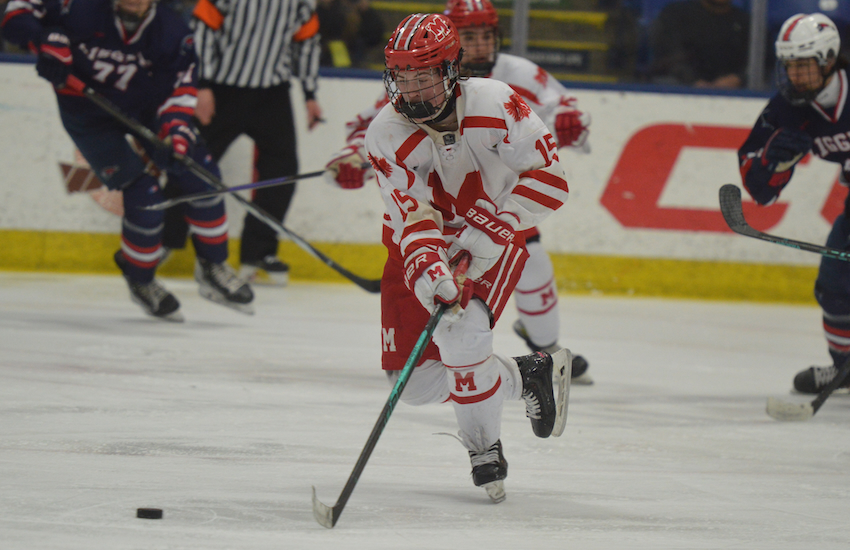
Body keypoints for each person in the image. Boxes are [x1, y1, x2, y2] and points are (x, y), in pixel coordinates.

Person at [324, 0, 593, 384]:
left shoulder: (513, 75)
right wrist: (350, 157)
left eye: (487, 35)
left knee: (534, 265)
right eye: (470, 36)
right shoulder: (418, 76)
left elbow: (565, 106)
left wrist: (573, 122)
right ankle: (483, 373)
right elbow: (375, 126)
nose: (481, 45)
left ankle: (545, 354)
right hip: (440, 207)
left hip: (501, 199)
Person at [367, 13, 570, 503]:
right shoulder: (386, 133)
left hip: (498, 237)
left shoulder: (497, 103)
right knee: (411, 386)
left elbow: (552, 179)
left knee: (461, 337)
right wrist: (431, 270)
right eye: (403, 76)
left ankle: (484, 448)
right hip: (418, 248)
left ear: (452, 69)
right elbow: (412, 217)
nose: (412, 90)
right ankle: (528, 373)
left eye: (424, 75)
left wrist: (496, 226)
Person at [1, 0, 254, 321]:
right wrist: (45, 38)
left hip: (146, 110)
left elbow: (180, 90)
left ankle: (213, 265)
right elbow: (14, 13)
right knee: (143, 193)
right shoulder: (73, 7)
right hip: (89, 114)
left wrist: (175, 131)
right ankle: (141, 278)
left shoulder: (173, 32)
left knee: (200, 173)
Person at [161, 0, 324, 286]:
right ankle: (162, 237)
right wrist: (202, 85)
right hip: (223, 89)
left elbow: (307, 39)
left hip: (272, 92)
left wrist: (310, 93)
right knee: (190, 162)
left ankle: (257, 252)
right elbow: (202, 30)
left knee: (282, 170)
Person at [738, 13, 850, 394]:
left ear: (830, 59)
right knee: (834, 286)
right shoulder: (786, 109)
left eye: (803, 66)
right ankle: (845, 370)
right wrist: (774, 163)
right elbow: (761, 189)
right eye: (789, 66)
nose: (794, 76)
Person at [649, 0, 749, 88]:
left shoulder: (745, 23)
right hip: (682, 89)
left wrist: (738, 78)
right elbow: (670, 55)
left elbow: (757, 63)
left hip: (733, 93)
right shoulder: (676, 14)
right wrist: (693, 80)